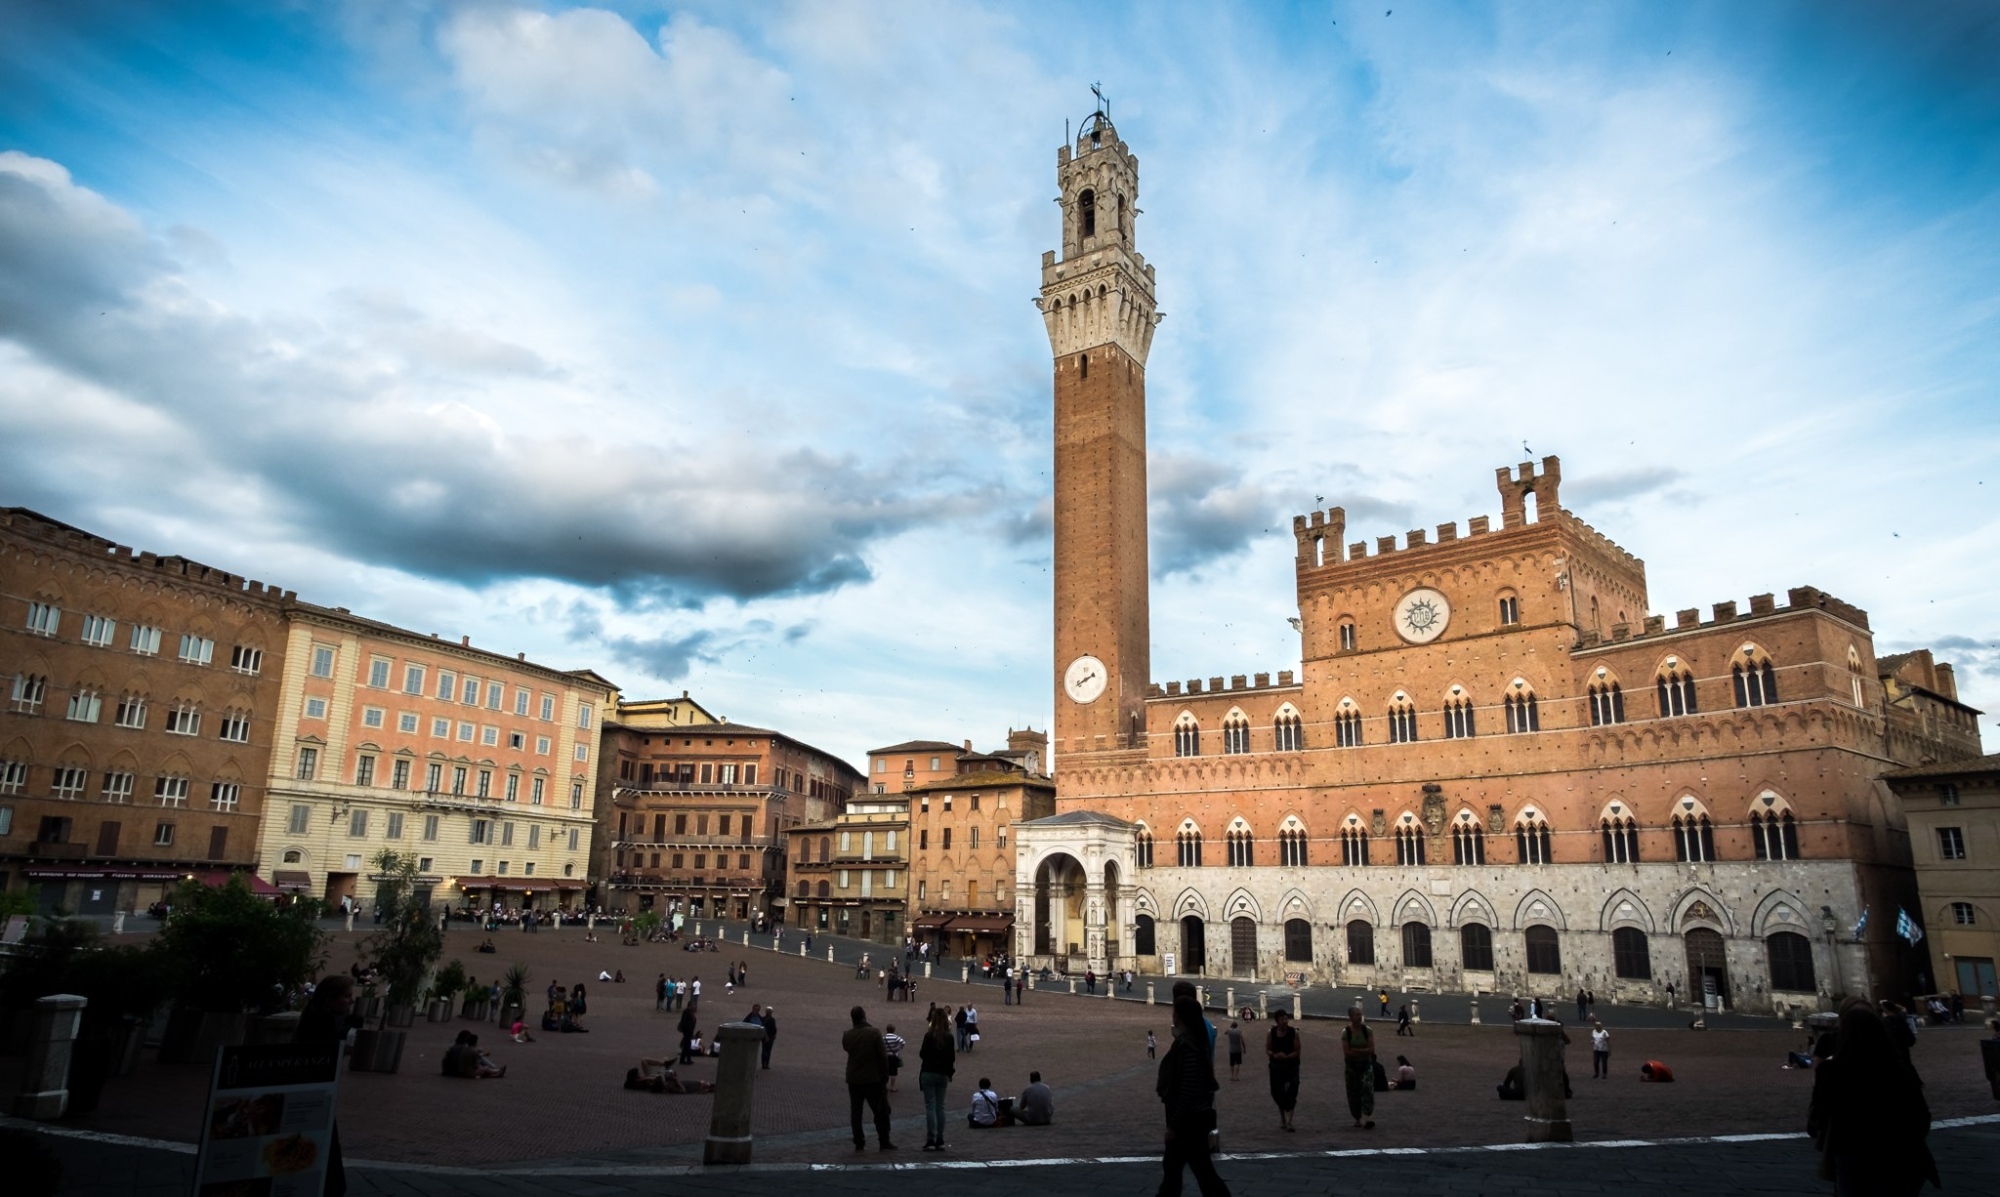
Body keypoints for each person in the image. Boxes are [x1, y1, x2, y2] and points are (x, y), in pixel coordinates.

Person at [1809, 997, 1939, 1194]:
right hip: (1899, 1155)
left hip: (1850, 1152)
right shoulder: (1899, 1070)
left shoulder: (1833, 1072)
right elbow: (1921, 1117)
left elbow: (1817, 1118)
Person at [1156, 994, 1230, 1197]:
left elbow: (1188, 1087)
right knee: (1193, 1171)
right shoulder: (1194, 1041)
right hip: (1193, 1120)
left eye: (1174, 1013)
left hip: (1188, 1123)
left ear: (1179, 1017)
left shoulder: (1187, 1045)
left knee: (1186, 1172)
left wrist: (1173, 1125)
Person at [295, 975, 359, 1197]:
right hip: (312, 1096)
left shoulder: (316, 1018)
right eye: (346, 996)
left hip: (315, 1094)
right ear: (329, 999)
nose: (350, 1001)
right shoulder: (325, 1023)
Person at [842, 1005, 896, 1152]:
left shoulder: (847, 1035)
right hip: (873, 1078)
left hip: (854, 1078)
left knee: (856, 1112)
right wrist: (884, 1076)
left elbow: (847, 1048)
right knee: (881, 1110)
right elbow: (882, 1057)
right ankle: (884, 1140)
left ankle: (859, 1141)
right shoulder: (874, 1033)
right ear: (864, 1016)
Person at [919, 1006, 956, 1152]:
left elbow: (922, 1054)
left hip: (928, 1071)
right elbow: (951, 1058)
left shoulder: (929, 1036)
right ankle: (940, 1138)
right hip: (942, 1074)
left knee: (930, 1106)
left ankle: (930, 1138)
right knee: (941, 1106)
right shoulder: (949, 1037)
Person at [1340, 1006, 1376, 1130]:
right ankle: (1357, 1117)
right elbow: (1346, 1052)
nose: (1359, 1017)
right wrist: (1363, 1051)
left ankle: (1367, 1116)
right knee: (1353, 1092)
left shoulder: (1368, 1031)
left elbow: (1371, 1050)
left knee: (1367, 1089)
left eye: (1360, 1014)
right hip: (1352, 1067)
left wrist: (1355, 1050)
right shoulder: (1346, 1033)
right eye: (1356, 1015)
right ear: (1350, 1017)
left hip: (1366, 1065)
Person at [1265, 1008, 1300, 1132]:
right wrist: (1274, 1055)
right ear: (1277, 1021)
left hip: (1291, 1066)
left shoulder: (1294, 1033)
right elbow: (1268, 1049)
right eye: (1282, 1019)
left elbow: (1297, 1052)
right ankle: (1283, 1119)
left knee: (1292, 1090)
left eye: (1286, 1019)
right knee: (1277, 1092)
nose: (1285, 1021)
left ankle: (1289, 1122)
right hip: (1276, 1066)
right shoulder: (1271, 1032)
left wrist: (1286, 1056)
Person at [884, 1023, 906, 1092]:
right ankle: (892, 1087)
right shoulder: (896, 1037)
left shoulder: (884, 1037)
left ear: (886, 1030)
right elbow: (903, 1042)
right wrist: (898, 1048)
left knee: (885, 1072)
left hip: (886, 1056)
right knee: (893, 1072)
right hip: (894, 1056)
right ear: (894, 1030)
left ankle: (884, 1087)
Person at [760, 1005, 778, 1070]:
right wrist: (774, 1035)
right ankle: (766, 1064)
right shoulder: (772, 1019)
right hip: (770, 1037)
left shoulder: (762, 1018)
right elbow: (774, 1029)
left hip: (763, 1037)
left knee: (764, 1050)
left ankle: (763, 1064)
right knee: (768, 1051)